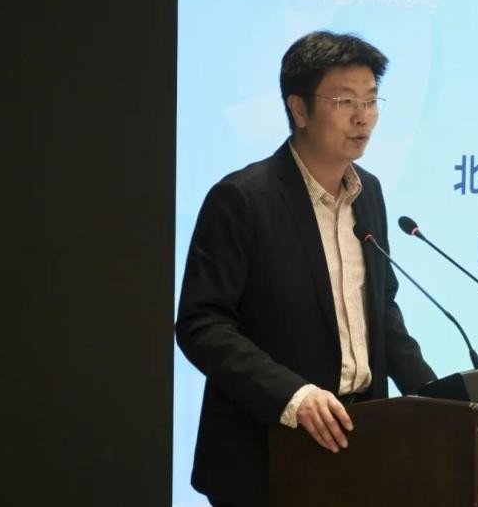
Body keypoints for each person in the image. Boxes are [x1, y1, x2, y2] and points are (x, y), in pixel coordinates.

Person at [175, 30, 437, 507]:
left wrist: (440, 400)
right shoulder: (242, 199)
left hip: (360, 439)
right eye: (345, 101)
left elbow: (381, 311)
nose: (363, 117)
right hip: (268, 450)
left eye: (371, 100)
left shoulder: (369, 193)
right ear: (299, 109)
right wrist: (293, 397)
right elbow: (202, 325)